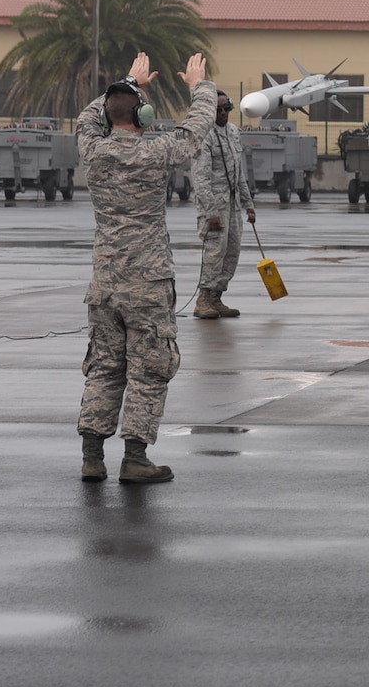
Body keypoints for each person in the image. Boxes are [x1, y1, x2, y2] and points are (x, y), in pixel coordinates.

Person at [74, 52, 217, 484]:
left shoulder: (93, 151)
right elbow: (196, 130)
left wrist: (126, 82)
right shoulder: (156, 152)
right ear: (146, 116)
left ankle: (92, 457)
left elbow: (86, 117)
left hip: (104, 283)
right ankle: (135, 458)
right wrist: (199, 85)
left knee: (104, 366)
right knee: (149, 367)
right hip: (148, 284)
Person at [190, 91, 254, 320]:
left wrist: (248, 203)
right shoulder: (204, 137)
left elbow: (239, 172)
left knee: (231, 252)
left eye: (226, 108)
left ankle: (217, 298)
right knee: (214, 253)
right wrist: (210, 212)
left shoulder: (233, 132)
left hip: (233, 204)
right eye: (217, 110)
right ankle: (203, 300)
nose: (223, 113)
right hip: (215, 205)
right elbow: (201, 178)